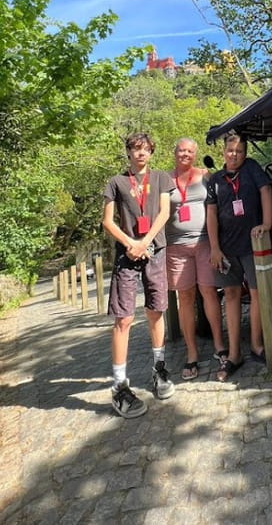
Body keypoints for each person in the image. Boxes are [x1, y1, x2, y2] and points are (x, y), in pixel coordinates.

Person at [103, 133, 174, 418]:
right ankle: (119, 386)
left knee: (156, 311)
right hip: (127, 255)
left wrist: (146, 242)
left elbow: (164, 213)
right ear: (128, 153)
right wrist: (131, 244)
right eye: (135, 149)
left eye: (145, 149)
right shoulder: (115, 182)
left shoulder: (161, 178)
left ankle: (160, 369)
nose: (141, 153)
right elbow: (108, 221)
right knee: (124, 318)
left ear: (152, 152)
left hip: (155, 251)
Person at [206, 133, 272, 382]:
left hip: (252, 243)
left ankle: (256, 344)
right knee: (232, 295)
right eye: (231, 150)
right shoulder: (215, 180)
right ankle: (234, 354)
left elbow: (265, 191)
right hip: (226, 247)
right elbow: (211, 215)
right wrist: (214, 248)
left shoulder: (252, 168)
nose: (235, 155)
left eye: (240, 151)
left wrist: (266, 224)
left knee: (257, 293)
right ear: (223, 151)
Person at [165, 137, 227, 380]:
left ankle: (220, 346)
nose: (185, 154)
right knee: (185, 297)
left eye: (190, 151)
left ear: (195, 154)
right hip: (176, 247)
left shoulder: (206, 175)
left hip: (204, 243)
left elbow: (219, 205)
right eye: (181, 150)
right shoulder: (164, 180)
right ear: (174, 152)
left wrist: (218, 244)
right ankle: (191, 353)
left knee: (209, 291)